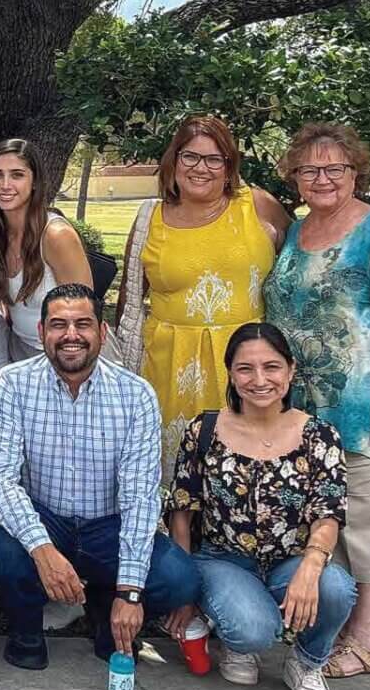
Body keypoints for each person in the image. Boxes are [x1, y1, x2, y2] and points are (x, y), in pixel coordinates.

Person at [263, 122, 370, 681]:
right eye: (309, 170)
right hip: (303, 411)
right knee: (320, 518)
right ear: (294, 176)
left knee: (365, 519)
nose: (322, 179)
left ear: (355, 172)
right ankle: (332, 628)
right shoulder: (296, 233)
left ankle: (367, 637)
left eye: (334, 169)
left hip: (366, 409)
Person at [0, 284, 201, 671]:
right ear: (41, 333)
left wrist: (131, 593)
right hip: (45, 517)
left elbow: (140, 497)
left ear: (102, 332)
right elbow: (1, 479)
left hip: (107, 527)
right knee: (4, 554)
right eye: (58, 325)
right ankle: (26, 633)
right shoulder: (12, 383)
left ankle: (107, 609)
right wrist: (43, 551)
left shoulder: (136, 395)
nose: (71, 335)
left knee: (177, 577)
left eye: (83, 324)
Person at [165, 322, 358, 690]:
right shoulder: (204, 431)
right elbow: (182, 511)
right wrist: (183, 588)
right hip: (223, 558)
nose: (259, 380)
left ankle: (306, 662)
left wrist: (309, 568)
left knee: (336, 588)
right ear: (231, 375)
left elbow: (328, 512)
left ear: (289, 371)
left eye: (271, 367)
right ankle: (239, 640)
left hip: (292, 559)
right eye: (245, 369)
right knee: (252, 629)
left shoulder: (320, 437)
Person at [116, 116, 289, 471]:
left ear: (229, 166)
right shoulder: (152, 216)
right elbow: (129, 301)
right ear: (174, 161)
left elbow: (297, 266)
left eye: (214, 159)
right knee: (174, 478)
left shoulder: (256, 205)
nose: (201, 168)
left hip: (245, 364)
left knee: (243, 473)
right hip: (167, 366)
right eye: (190, 157)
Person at [0, 138, 93, 363]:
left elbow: (85, 314)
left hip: (65, 356)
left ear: (35, 182)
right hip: (18, 350)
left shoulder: (56, 235)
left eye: (17, 175)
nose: (5, 185)